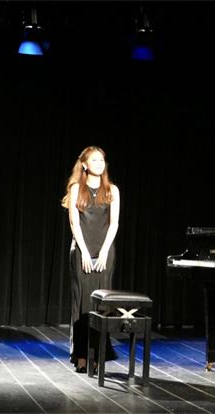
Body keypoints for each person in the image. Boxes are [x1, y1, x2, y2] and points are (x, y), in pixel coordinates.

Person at [61, 146, 120, 373]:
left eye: (101, 160)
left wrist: (104, 251)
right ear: (84, 165)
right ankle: (81, 355)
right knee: (83, 303)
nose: (99, 163)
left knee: (101, 305)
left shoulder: (112, 190)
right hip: (82, 250)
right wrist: (85, 252)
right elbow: (74, 223)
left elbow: (114, 223)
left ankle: (98, 354)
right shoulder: (77, 188)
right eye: (94, 160)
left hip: (104, 252)